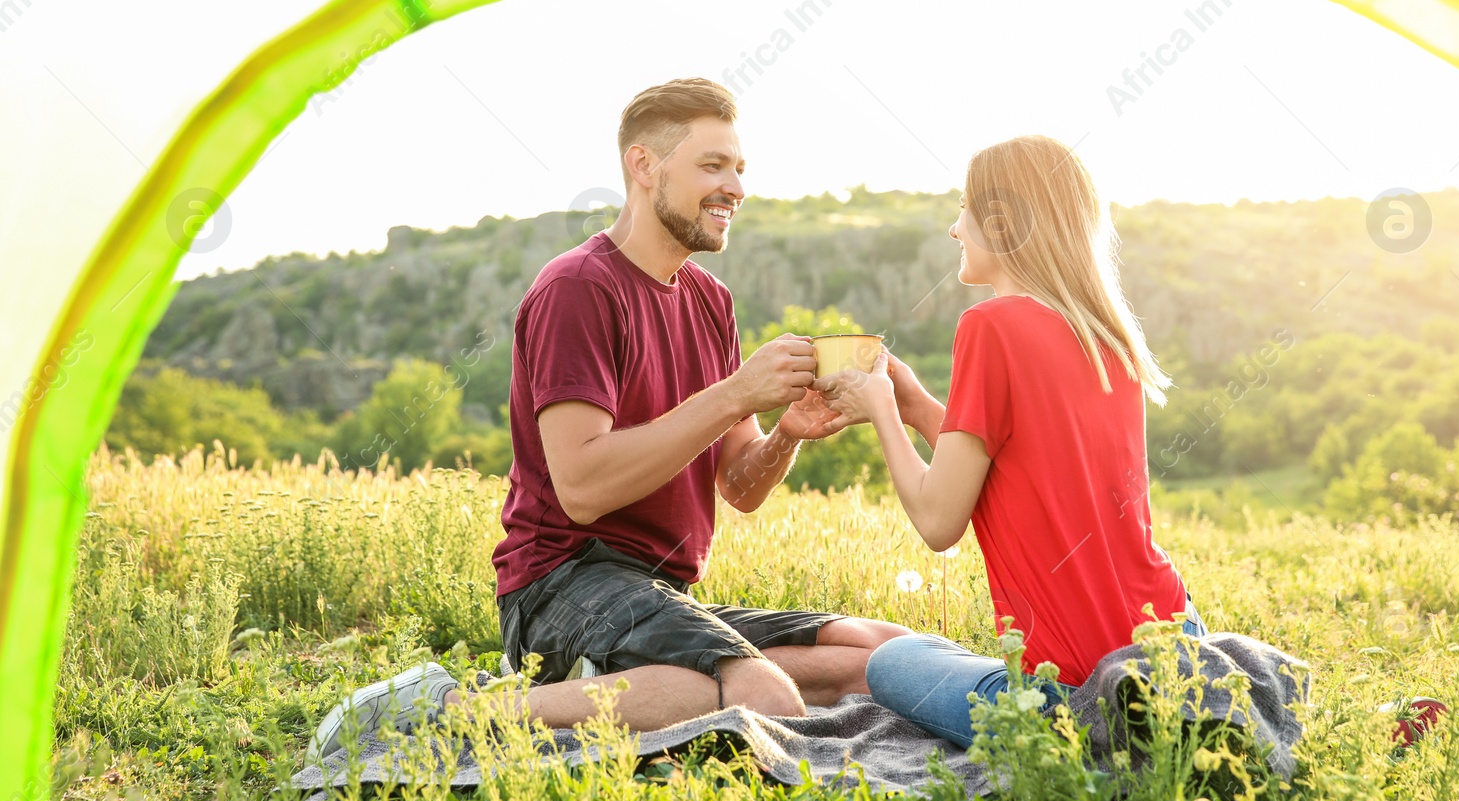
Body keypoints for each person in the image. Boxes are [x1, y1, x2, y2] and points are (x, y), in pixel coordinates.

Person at [307, 78, 908, 763]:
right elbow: (583, 486)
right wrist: (735, 394)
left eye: (739, 169)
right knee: (764, 697)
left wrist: (788, 433)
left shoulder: (712, 301)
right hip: (563, 581)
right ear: (643, 165)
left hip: (657, 588)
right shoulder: (579, 288)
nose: (734, 187)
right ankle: (450, 708)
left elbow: (739, 484)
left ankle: (635, 685)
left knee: (874, 651)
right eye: (712, 166)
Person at [816, 134, 1206, 749]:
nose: (953, 229)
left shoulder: (990, 326)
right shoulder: (1104, 331)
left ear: (998, 223)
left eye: (963, 210)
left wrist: (883, 411)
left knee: (891, 663)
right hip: (1178, 645)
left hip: (1074, 691)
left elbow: (939, 520)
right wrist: (918, 405)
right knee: (916, 656)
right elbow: (1023, 466)